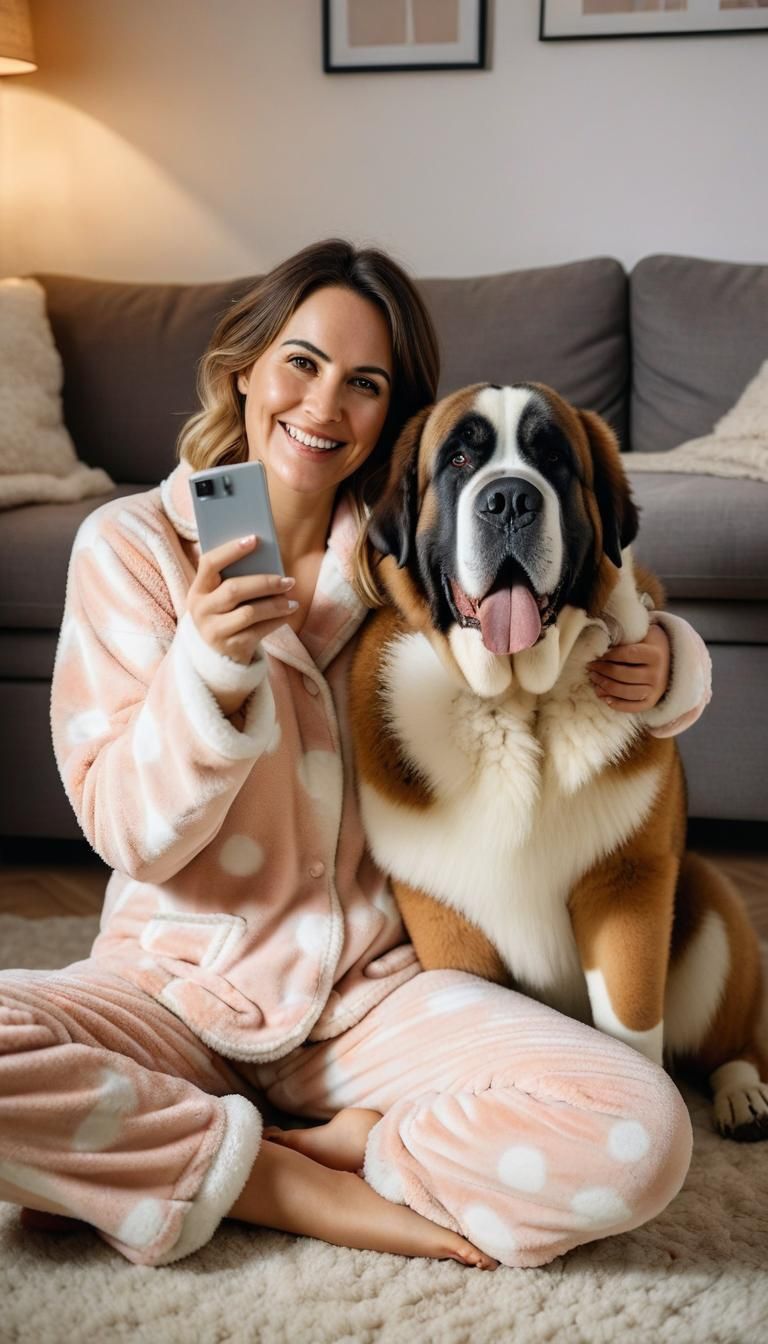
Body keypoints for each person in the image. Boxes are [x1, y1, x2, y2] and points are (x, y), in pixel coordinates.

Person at [0, 239, 709, 1270]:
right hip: (172, 990)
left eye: (364, 383)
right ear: (245, 367)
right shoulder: (129, 550)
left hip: (371, 1003)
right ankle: (290, 1182)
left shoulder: (404, 555)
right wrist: (206, 666)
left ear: (396, 416)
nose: (324, 405)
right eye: (301, 362)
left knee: (643, 1131)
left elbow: (599, 585)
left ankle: (189, 1153)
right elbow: (127, 832)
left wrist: (672, 661)